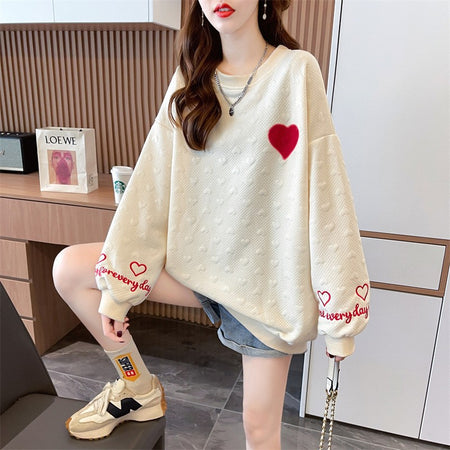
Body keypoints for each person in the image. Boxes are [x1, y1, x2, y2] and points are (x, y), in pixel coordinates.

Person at [52, 1, 370, 448]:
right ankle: (137, 388)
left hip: (264, 290)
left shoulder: (296, 72)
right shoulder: (190, 79)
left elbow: (327, 189)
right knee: (70, 269)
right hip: (197, 271)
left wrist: (341, 313)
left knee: (260, 431)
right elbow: (152, 182)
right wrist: (118, 291)